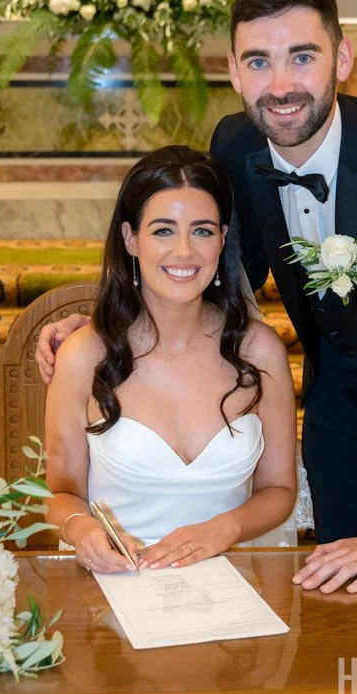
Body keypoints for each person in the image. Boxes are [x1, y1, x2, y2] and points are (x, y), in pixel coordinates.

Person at [38, 0, 357, 593]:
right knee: (337, 590)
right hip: (338, 400)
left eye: (302, 57)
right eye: (258, 61)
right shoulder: (236, 145)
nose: (280, 87)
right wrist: (107, 322)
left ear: (342, 58)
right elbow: (207, 267)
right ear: (234, 70)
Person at [44, 145, 297, 576]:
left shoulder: (259, 351)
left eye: (201, 231)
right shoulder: (84, 354)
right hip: (118, 583)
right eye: (163, 230)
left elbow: (279, 489)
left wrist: (223, 529)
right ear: (130, 238)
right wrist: (83, 529)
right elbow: (61, 492)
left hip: (232, 585)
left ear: (222, 238)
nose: (184, 252)